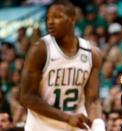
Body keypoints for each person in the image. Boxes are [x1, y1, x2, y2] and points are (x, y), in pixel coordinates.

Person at [19, 1, 105, 131]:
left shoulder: (92, 53)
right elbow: (26, 97)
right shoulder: (40, 50)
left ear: (72, 19)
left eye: (57, 17)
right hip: (41, 127)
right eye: (48, 17)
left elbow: (92, 100)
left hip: (75, 126)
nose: (50, 22)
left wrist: (98, 125)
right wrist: (66, 117)